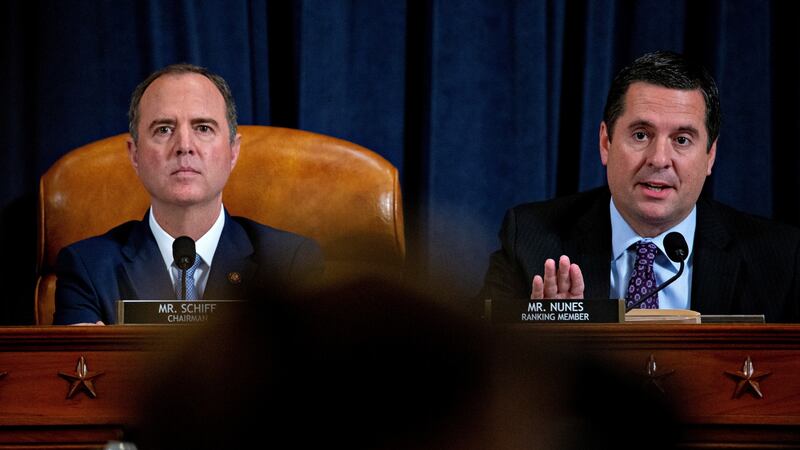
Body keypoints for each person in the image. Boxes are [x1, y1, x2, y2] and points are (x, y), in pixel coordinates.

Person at [480, 50, 800, 322]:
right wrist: (542, 347)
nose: (659, 159)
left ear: (710, 156)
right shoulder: (531, 240)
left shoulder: (778, 258)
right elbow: (475, 367)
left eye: (682, 140)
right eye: (640, 135)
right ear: (605, 142)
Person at [53, 64, 323, 325]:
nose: (184, 146)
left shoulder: (290, 264)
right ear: (135, 154)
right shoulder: (87, 269)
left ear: (233, 152)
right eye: (164, 129)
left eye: (203, 128)